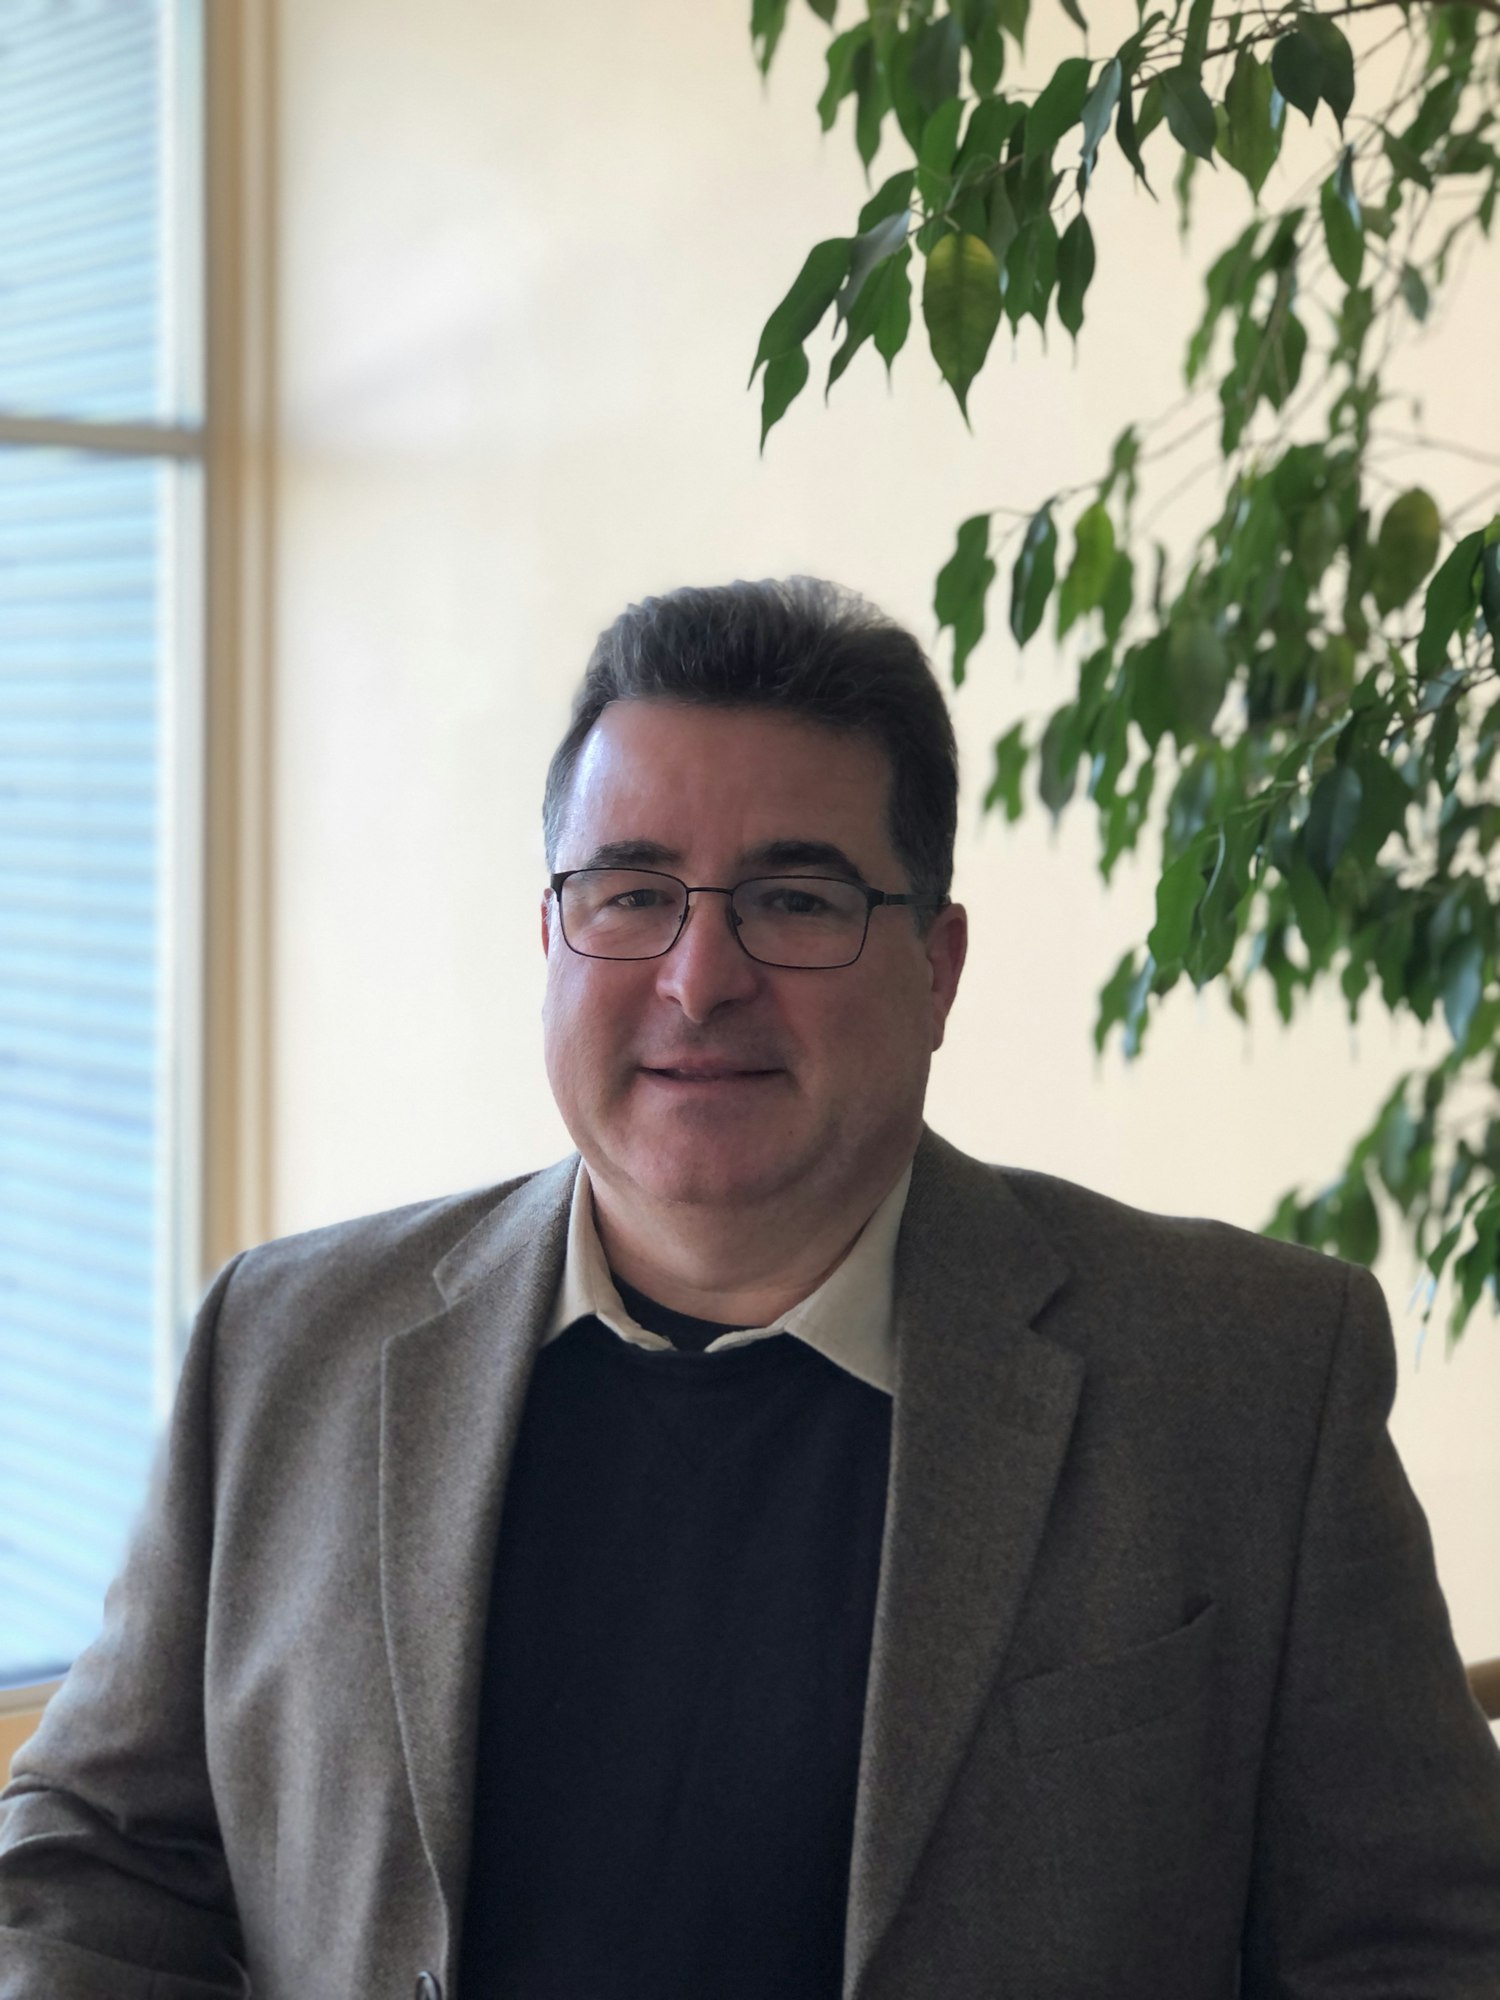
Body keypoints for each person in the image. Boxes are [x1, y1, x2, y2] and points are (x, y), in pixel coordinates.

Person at [2, 578, 1498, 2000]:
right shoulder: (286, 1345)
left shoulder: (1244, 1377)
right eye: (632, 890)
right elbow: (96, 1856)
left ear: (938, 969)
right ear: (549, 937)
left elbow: (1417, 1945)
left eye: (795, 898)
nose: (699, 978)